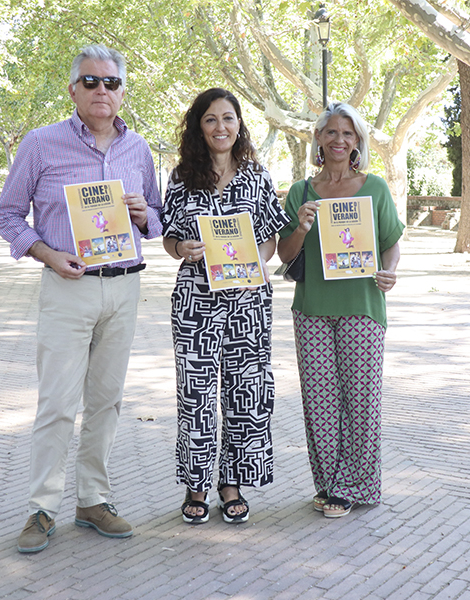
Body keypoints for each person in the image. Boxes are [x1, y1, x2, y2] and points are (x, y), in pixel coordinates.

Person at [0, 44, 163, 553]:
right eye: (90, 82)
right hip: (68, 287)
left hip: (125, 287)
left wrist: (141, 216)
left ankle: (93, 501)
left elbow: (156, 218)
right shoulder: (41, 145)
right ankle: (41, 509)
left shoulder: (139, 150)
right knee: (57, 404)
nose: (101, 91)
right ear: (72, 89)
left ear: (122, 91)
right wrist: (47, 255)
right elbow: (6, 216)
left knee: (106, 402)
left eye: (110, 82)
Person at [161, 88, 290, 524]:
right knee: (195, 396)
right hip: (196, 302)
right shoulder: (182, 177)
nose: (221, 127)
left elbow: (271, 237)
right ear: (199, 126)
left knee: (245, 394)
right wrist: (184, 248)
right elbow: (168, 239)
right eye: (212, 119)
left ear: (240, 124)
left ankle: (230, 484)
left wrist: (261, 260)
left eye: (229, 118)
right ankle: (195, 487)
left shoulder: (258, 176)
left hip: (248, 303)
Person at [277, 102, 404, 518]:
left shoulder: (375, 188)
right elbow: (284, 253)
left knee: (361, 400)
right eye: (331, 132)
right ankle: (329, 485)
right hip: (312, 307)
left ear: (358, 142)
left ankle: (356, 485)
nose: (339, 140)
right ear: (317, 138)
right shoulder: (301, 192)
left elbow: (391, 242)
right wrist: (301, 226)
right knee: (319, 403)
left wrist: (389, 272)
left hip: (361, 306)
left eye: (348, 134)